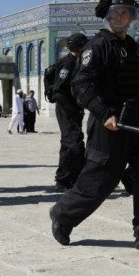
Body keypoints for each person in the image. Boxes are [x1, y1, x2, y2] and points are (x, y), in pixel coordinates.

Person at [49, 0, 139, 251]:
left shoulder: (133, 48)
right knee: (100, 181)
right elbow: (81, 85)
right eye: (116, 12)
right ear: (108, 16)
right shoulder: (97, 46)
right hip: (109, 122)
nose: (120, 17)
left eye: (125, 12)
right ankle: (63, 214)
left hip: (136, 122)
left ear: (132, 16)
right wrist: (104, 113)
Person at [52, 33, 89, 193]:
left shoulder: (78, 62)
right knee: (74, 144)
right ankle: (64, 180)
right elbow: (58, 92)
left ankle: (68, 179)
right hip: (66, 109)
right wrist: (72, 110)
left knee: (70, 144)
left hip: (74, 110)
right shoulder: (68, 63)